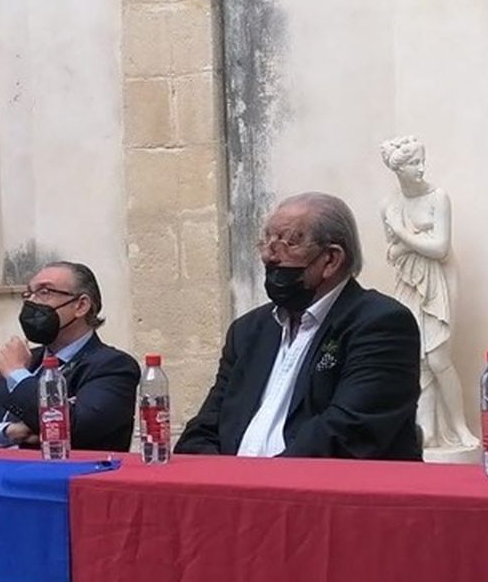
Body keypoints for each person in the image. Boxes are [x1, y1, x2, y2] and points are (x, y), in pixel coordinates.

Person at [176, 192, 421, 459]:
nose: (270, 257)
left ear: (331, 259)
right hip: (235, 491)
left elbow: (347, 433)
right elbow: (203, 429)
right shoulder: (248, 331)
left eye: (286, 243)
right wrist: (220, 482)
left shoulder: (380, 324)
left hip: (321, 494)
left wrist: (261, 484)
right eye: (266, 242)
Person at [0, 262, 141, 452]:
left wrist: (17, 375)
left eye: (45, 292)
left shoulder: (113, 366)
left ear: (81, 305)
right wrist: (10, 432)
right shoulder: (28, 360)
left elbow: (75, 428)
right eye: (29, 293)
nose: (32, 302)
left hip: (70, 479)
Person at [380, 136, 478, 452]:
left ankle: (460, 428)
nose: (420, 169)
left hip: (438, 280)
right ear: (398, 169)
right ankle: (428, 431)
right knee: (415, 358)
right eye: (412, 164)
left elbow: (439, 248)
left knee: (438, 357)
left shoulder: (439, 197)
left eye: (421, 161)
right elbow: (392, 253)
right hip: (408, 282)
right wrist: (407, 240)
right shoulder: (389, 205)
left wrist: (404, 234)